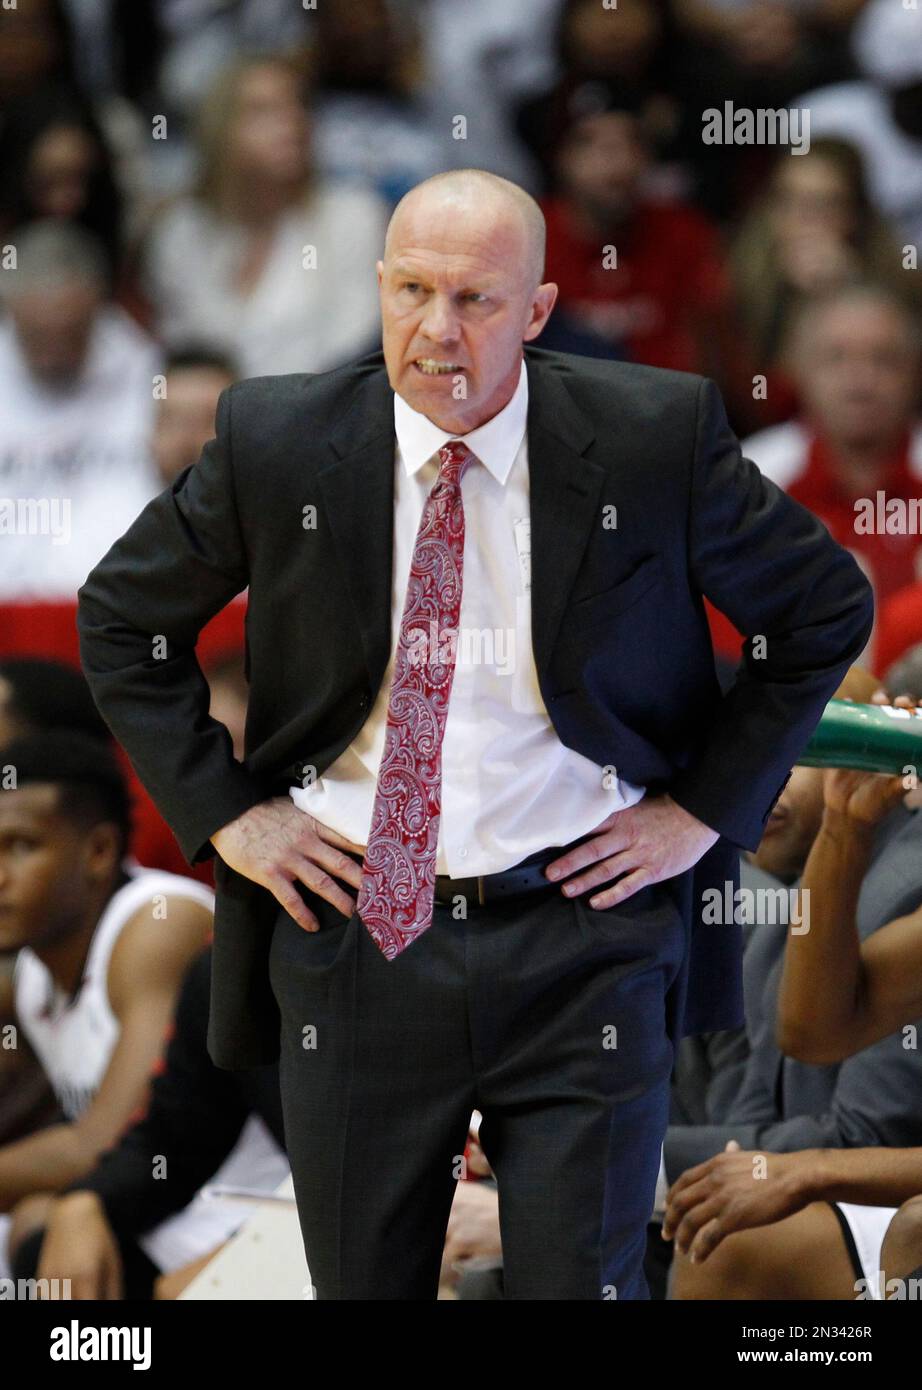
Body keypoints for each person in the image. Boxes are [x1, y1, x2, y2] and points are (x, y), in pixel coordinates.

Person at [77, 168, 873, 1301]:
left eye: (476, 301)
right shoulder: (282, 439)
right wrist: (232, 816)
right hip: (357, 930)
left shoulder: (649, 436)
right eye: (411, 291)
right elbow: (119, 620)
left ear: (539, 311)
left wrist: (698, 812)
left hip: (584, 934)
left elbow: (823, 610)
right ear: (378, 287)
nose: (436, 331)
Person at [0, 730, 212, 1276]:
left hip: (242, 1210)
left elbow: (103, 1142)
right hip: (156, 1215)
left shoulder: (158, 924)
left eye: (21, 846)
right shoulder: (32, 969)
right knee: (32, 1221)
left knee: (40, 1231)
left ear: (98, 851)